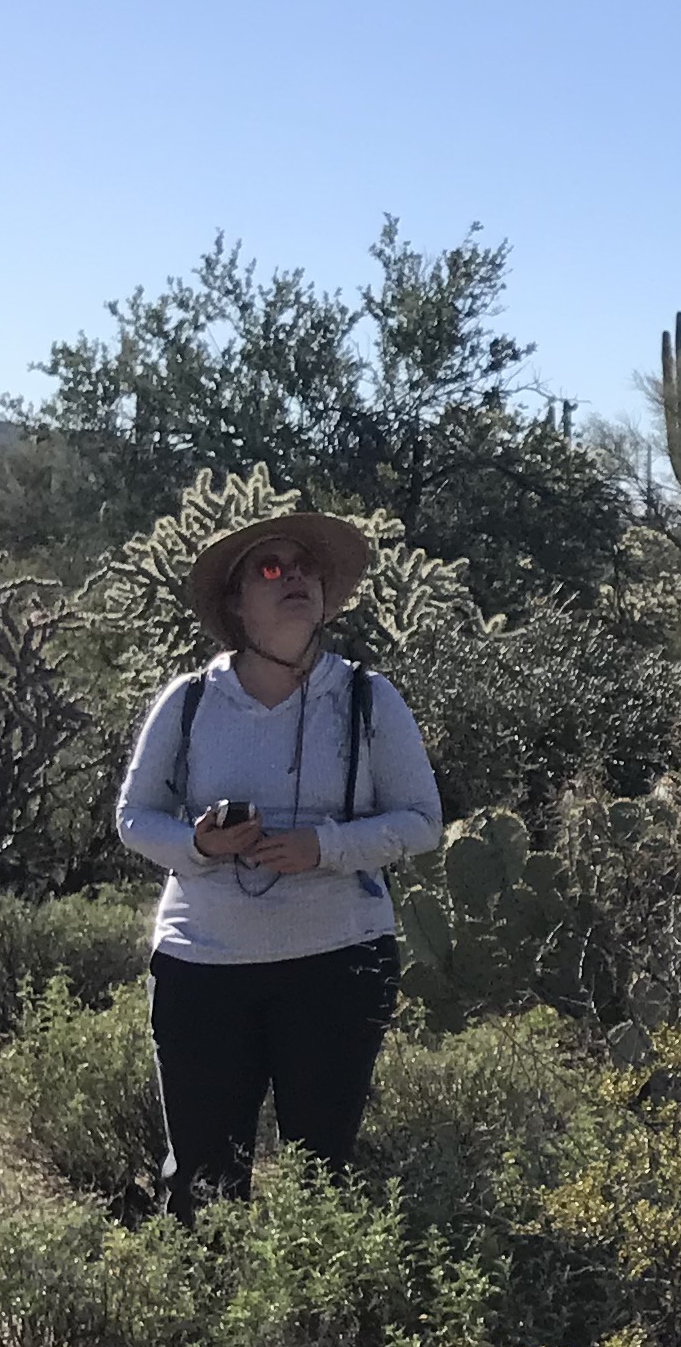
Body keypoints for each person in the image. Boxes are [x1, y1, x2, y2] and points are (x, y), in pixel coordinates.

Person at [110, 509, 443, 1218]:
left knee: (322, 1179)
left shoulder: (366, 699)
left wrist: (324, 847)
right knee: (203, 1183)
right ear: (236, 603)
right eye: (270, 568)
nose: (292, 578)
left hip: (338, 962)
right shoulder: (192, 701)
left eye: (304, 569)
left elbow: (422, 821)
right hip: (203, 968)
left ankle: (315, 1325)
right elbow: (134, 818)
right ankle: (205, 1324)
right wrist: (200, 845)